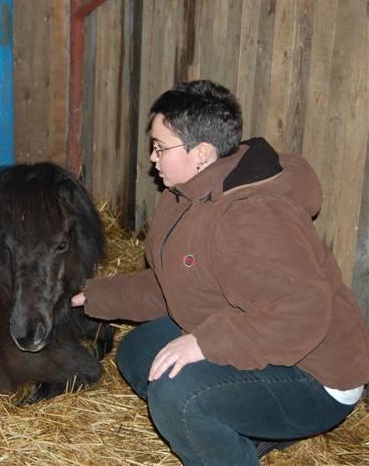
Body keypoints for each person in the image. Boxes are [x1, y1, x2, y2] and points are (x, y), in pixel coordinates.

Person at [72, 80, 369, 465]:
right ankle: (243, 427)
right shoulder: (185, 194)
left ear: (202, 153)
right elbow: (174, 284)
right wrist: (96, 295)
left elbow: (302, 313)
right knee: (140, 352)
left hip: (316, 374)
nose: (152, 158)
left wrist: (205, 343)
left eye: (161, 147)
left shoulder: (250, 217)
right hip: (262, 335)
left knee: (178, 395)